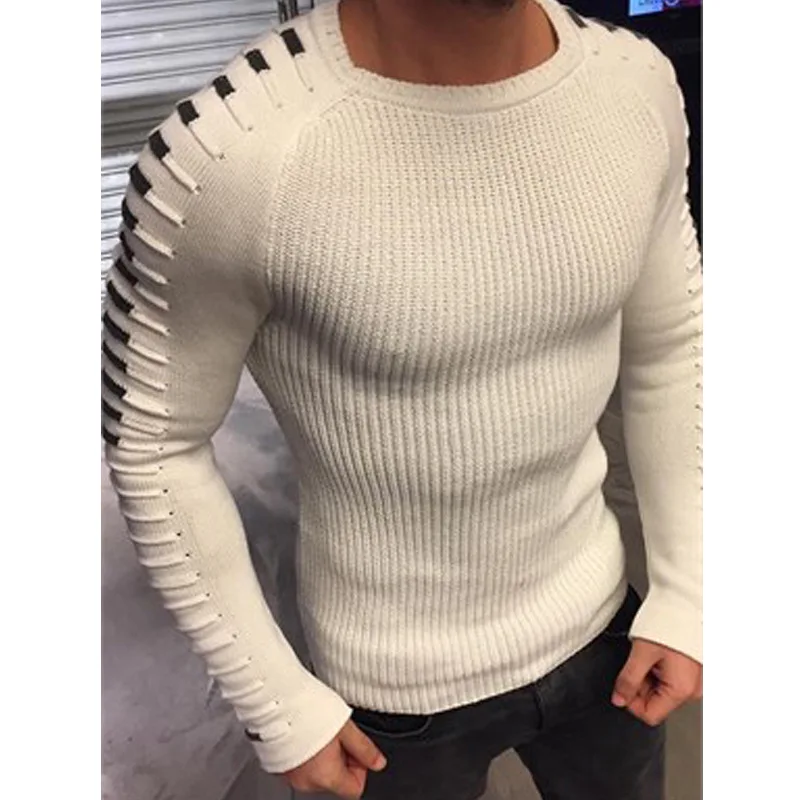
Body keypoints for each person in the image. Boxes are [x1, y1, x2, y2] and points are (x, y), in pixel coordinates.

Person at [101, 0, 703, 798]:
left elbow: (671, 346)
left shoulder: (636, 82)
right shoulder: (222, 155)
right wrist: (274, 698)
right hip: (394, 696)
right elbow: (154, 444)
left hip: (605, 629)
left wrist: (690, 589)